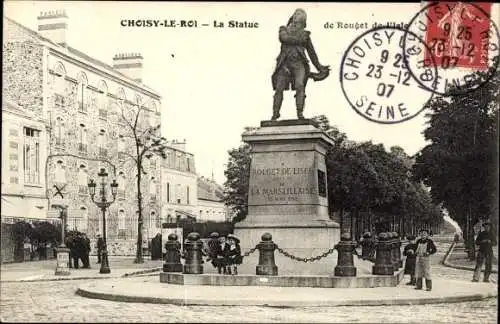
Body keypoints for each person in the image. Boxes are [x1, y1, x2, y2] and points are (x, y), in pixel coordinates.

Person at [271, 8, 330, 120]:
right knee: (279, 88)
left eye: (301, 15)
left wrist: (320, 67)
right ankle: (275, 113)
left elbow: (312, 53)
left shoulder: (305, 35)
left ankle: (300, 113)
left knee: (300, 85)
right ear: (293, 17)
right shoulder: (283, 29)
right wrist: (301, 38)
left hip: (299, 64)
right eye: (297, 14)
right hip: (284, 64)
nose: (298, 16)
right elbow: (284, 38)